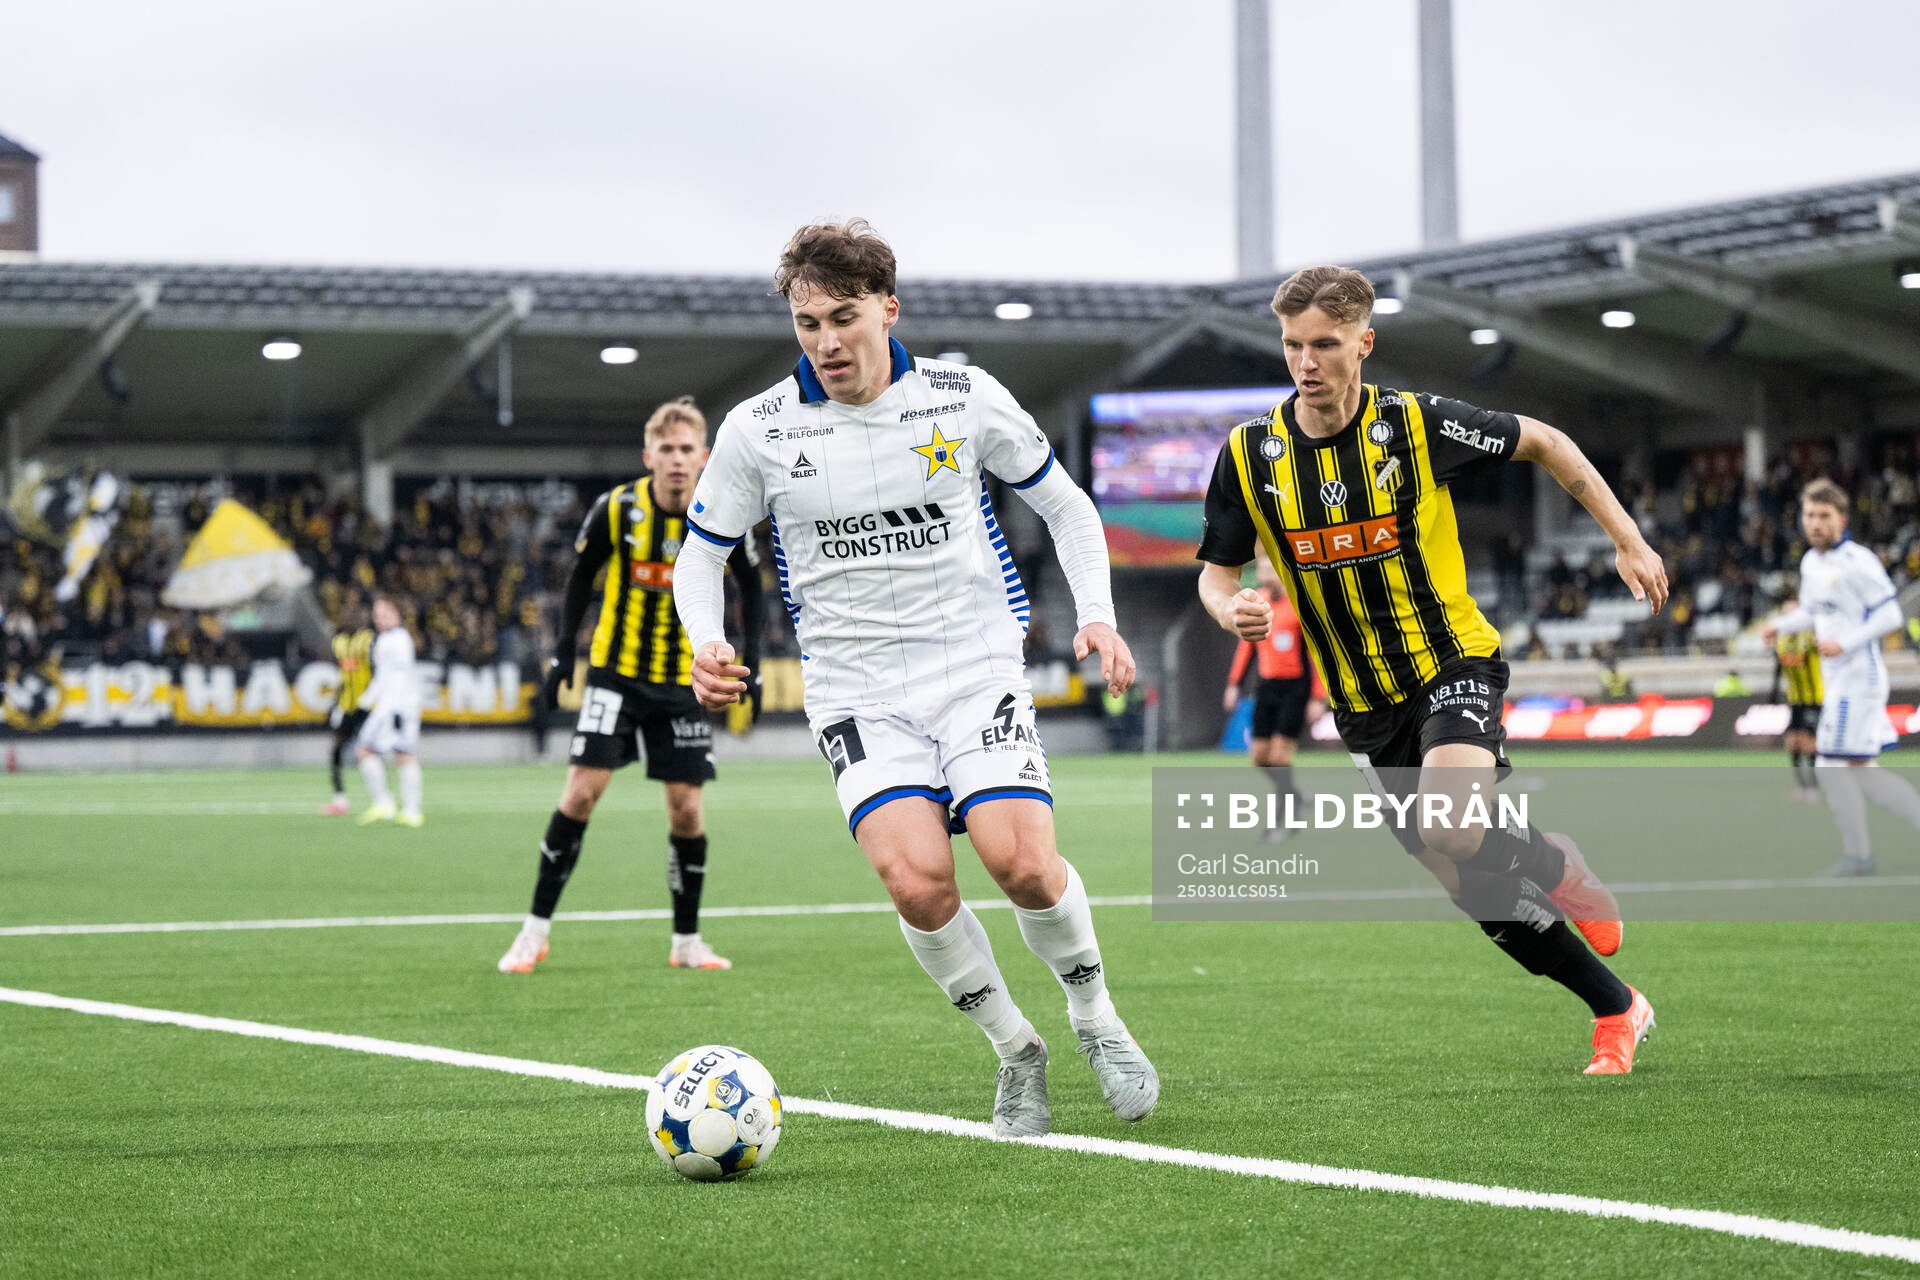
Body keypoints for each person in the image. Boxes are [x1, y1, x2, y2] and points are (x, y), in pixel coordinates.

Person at [674, 220, 1158, 1137]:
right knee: (917, 883)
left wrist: (1096, 612)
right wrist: (706, 639)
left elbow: (1066, 504)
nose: (825, 341)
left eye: (843, 317)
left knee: (1019, 861)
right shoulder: (758, 430)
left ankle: (1094, 1016)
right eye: (806, 322)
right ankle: (1017, 1049)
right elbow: (700, 557)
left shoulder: (962, 396)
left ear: (888, 309)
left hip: (974, 667)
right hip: (856, 690)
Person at [1196, 265, 1667, 1075]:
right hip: (1360, 702)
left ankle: (1558, 866)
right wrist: (1226, 606)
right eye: (1293, 345)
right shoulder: (1248, 455)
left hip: (1449, 659)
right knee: (1466, 882)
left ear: (1364, 344)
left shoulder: (1417, 426)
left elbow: (1547, 442)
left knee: (1454, 824)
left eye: (1326, 345)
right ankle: (1616, 1009)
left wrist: (1628, 539)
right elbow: (1216, 572)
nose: (1306, 362)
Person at [497, 397, 764, 976]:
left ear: (705, 456)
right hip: (615, 676)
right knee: (580, 795)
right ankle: (533, 931)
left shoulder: (723, 512)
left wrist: (757, 663)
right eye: (665, 449)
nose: (675, 460)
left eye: (686, 449)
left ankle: (687, 941)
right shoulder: (616, 509)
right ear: (649, 456)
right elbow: (578, 580)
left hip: (681, 684)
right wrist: (561, 654)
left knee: (687, 809)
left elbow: (752, 588)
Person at [1759, 480, 1920, 875]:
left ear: (1841, 519)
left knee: (1831, 765)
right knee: (1860, 772)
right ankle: (1859, 855)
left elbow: (1891, 616)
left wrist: (1846, 643)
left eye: (1823, 516)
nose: (1814, 524)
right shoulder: (1812, 563)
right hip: (1838, 682)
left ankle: (1859, 856)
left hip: (1858, 679)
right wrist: (1780, 624)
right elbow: (1814, 612)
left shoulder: (1859, 562)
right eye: (1809, 515)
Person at [1221, 558, 1324, 836]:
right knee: (1259, 758)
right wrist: (1234, 684)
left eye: (1271, 573)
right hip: (1266, 688)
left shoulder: (1299, 607)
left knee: (1280, 758)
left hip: (1295, 689)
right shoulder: (1258, 605)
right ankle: (1296, 796)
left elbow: (1316, 656)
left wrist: (1318, 697)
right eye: (1263, 573)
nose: (1266, 579)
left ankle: (1286, 820)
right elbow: (1246, 649)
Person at [355, 596, 424, 828]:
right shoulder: (385, 640)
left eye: (384, 614)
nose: (380, 619)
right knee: (369, 749)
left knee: (401, 753)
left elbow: (400, 677)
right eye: (377, 615)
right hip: (388, 707)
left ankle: (408, 809)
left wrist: (397, 708)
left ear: (397, 614)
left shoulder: (399, 640)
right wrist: (367, 701)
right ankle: (388, 804)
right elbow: (383, 677)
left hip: (398, 708)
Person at [324, 601, 374, 815]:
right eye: (348, 617)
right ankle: (339, 799)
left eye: (356, 617)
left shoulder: (368, 640)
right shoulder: (339, 643)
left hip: (369, 705)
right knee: (336, 750)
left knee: (373, 752)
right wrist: (336, 702)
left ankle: (382, 798)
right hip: (347, 705)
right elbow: (343, 676)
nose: (352, 621)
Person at [1770, 622, 1822, 803]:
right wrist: (1774, 692)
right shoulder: (1782, 641)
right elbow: (1778, 667)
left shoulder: (1811, 637)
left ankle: (1815, 786)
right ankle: (1802, 785)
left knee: (1810, 743)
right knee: (1793, 742)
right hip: (1795, 700)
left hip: (1814, 699)